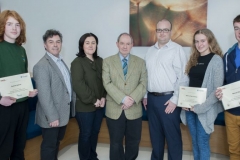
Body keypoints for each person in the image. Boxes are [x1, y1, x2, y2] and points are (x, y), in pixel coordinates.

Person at [143, 19, 189, 160]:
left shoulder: (177, 49)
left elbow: (183, 78)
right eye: (159, 30)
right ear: (156, 31)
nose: (162, 33)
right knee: (155, 137)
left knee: (172, 138)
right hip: (151, 99)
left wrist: (175, 100)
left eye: (165, 30)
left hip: (169, 100)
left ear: (170, 32)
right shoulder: (150, 51)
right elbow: (146, 75)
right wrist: (145, 95)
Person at [102, 33, 147, 160]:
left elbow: (143, 83)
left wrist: (131, 99)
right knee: (115, 143)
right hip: (115, 108)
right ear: (117, 44)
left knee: (133, 141)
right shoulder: (107, 62)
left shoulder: (141, 62)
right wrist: (123, 98)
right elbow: (107, 83)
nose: (125, 46)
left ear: (132, 45)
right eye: (122, 43)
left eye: (128, 43)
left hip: (134, 109)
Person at [180, 29, 224, 160]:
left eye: (203, 41)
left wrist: (200, 108)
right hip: (189, 108)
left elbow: (216, 91)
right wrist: (183, 102)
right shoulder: (193, 58)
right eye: (197, 41)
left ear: (210, 41)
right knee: (195, 142)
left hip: (205, 109)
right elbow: (187, 83)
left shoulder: (216, 60)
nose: (199, 44)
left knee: (202, 143)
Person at [0, 10, 38, 160]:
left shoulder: (21, 50)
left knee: (19, 147)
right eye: (9, 24)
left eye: (17, 25)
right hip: (4, 107)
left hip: (22, 106)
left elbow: (23, 76)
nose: (14, 28)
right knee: (4, 149)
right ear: (3, 26)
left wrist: (28, 91)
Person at [33, 29, 75, 160]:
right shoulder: (41, 66)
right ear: (45, 45)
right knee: (49, 146)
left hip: (62, 112)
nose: (55, 45)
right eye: (51, 42)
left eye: (58, 41)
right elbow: (44, 95)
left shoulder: (61, 61)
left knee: (56, 144)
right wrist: (52, 117)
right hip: (51, 117)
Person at [71, 33, 106, 160]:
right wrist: (93, 100)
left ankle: (92, 156)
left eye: (93, 42)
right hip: (84, 107)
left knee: (95, 132)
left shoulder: (100, 61)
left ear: (96, 45)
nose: (91, 45)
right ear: (82, 45)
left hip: (99, 106)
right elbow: (78, 84)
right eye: (87, 42)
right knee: (86, 134)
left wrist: (103, 97)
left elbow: (105, 81)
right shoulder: (77, 62)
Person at [216, 14, 240, 160]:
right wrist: (220, 92)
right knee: (234, 150)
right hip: (230, 112)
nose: (239, 32)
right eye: (236, 28)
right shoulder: (227, 55)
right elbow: (223, 82)